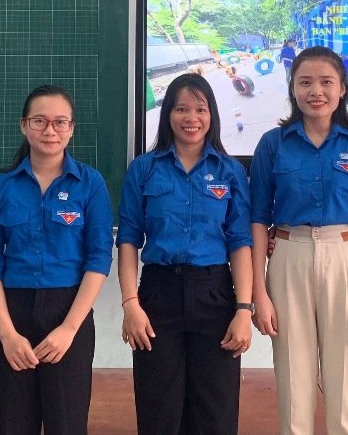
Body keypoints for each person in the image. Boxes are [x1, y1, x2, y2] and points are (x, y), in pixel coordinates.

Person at [250, 46, 348, 435]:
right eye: (305, 82)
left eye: (326, 82)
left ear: (342, 88)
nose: (316, 91)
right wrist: (259, 292)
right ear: (292, 89)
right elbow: (258, 220)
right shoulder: (273, 144)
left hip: (347, 258)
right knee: (293, 385)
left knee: (346, 386)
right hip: (288, 256)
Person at [117, 73, 252, 435]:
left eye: (200, 109)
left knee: (215, 411)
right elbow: (128, 240)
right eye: (181, 109)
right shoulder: (143, 169)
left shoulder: (230, 171)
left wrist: (244, 310)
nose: (191, 117)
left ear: (212, 115)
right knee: (159, 410)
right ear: (168, 115)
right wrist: (130, 304)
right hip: (157, 295)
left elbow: (240, 242)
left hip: (215, 294)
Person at [0, 84, 113, 435]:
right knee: (11, 423)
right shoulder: (1, 188)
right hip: (14, 313)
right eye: (39, 121)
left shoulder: (90, 184)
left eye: (60, 122)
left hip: (69, 311)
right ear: (24, 125)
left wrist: (69, 329)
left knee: (66, 423)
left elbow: (99, 259)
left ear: (72, 128)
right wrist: (7, 334)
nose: (50, 130)